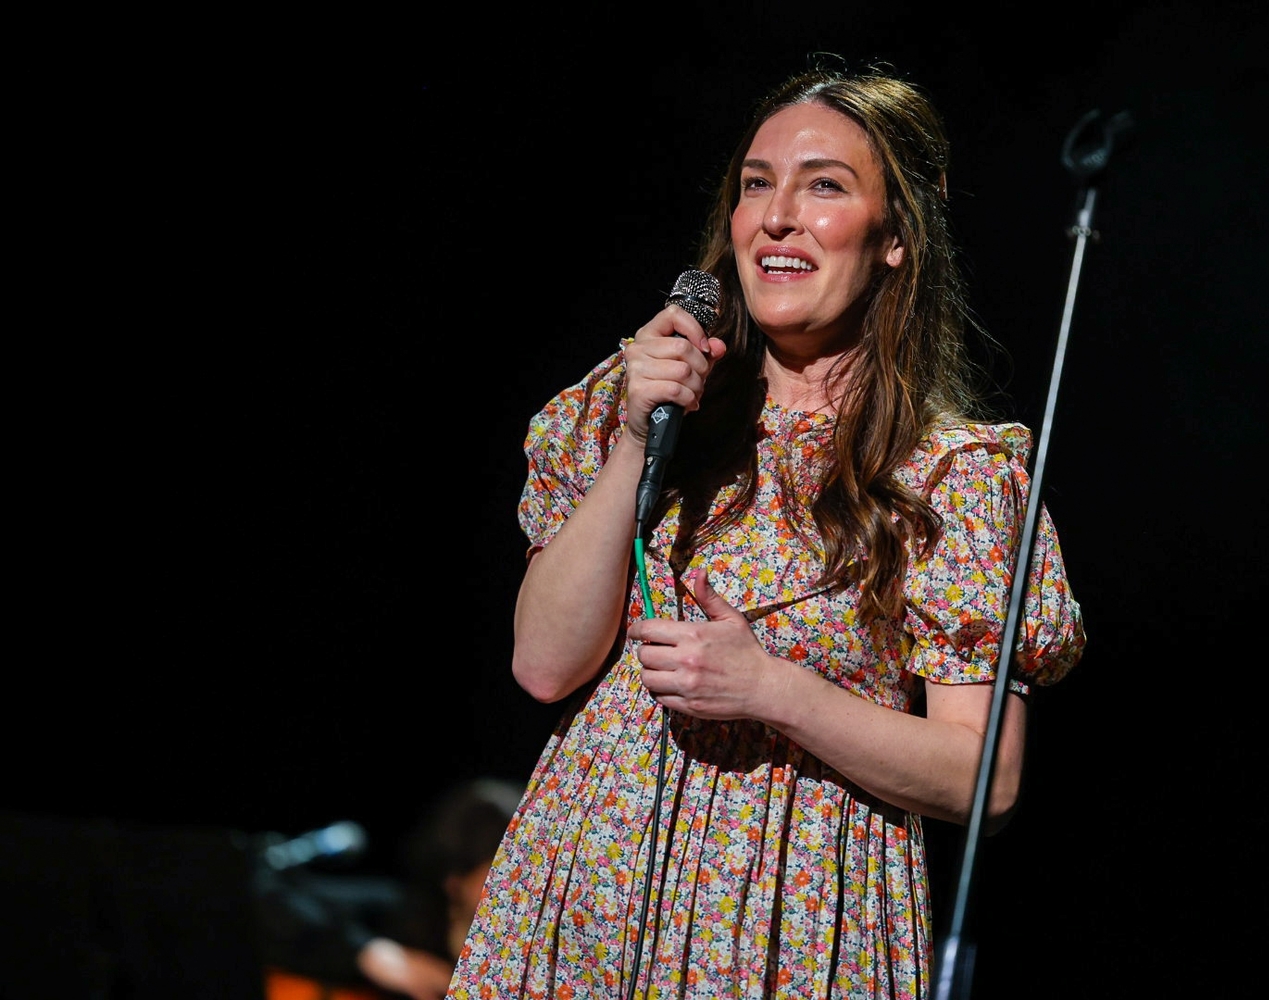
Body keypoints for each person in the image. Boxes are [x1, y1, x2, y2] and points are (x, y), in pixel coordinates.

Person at [448, 60, 1086, 1000]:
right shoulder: (641, 409)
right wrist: (635, 442)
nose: (776, 216)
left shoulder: (953, 475)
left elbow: (982, 779)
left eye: (824, 185)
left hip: (792, 919)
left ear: (896, 235)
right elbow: (543, 664)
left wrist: (770, 689)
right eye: (756, 184)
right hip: (586, 890)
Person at [257, 777, 521, 1000]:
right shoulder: (404, 915)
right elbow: (262, 895)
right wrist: (368, 953)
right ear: (455, 880)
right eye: (501, 872)